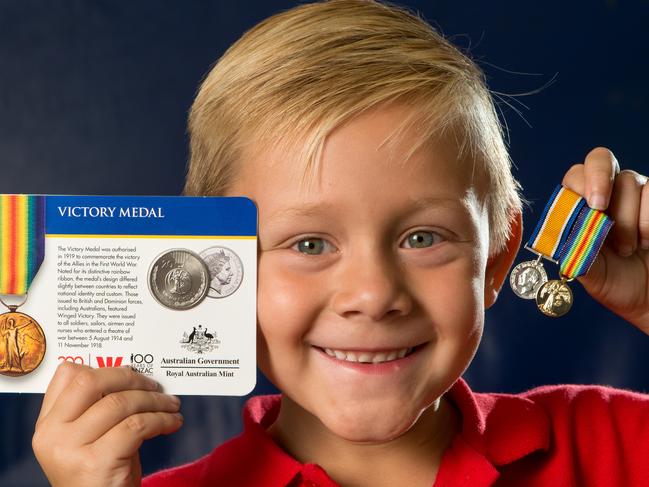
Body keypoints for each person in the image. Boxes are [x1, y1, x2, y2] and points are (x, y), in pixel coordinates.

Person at [31, 1, 649, 486]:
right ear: (220, 266)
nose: (373, 295)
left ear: (496, 256)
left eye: (423, 237)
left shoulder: (615, 446)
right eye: (308, 244)